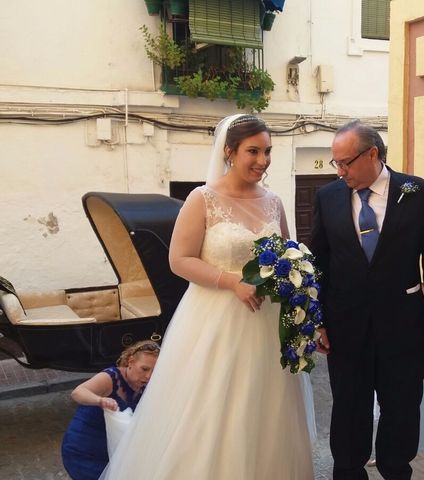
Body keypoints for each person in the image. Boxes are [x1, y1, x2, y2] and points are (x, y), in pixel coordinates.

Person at [99, 114, 314, 479]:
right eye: (253, 151)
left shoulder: (273, 202)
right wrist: (231, 282)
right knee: (211, 410)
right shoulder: (203, 198)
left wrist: (297, 285)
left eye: (268, 151)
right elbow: (179, 260)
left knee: (265, 410)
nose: (262, 160)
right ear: (229, 152)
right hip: (214, 321)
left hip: (264, 325)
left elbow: (285, 255)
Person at [311, 121, 424, 480]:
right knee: (348, 407)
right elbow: (320, 263)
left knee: (402, 406)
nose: (340, 172)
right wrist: (317, 321)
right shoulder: (327, 198)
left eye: (346, 163)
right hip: (345, 325)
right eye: (336, 164)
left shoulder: (417, 191)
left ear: (372, 153)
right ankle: (347, 471)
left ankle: (395, 469)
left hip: (403, 325)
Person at [61, 340, 160, 480]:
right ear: (131, 361)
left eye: (154, 370)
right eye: (144, 369)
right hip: (84, 450)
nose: (148, 376)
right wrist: (100, 400)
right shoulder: (110, 377)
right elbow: (77, 392)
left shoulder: (147, 385)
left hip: (112, 452)